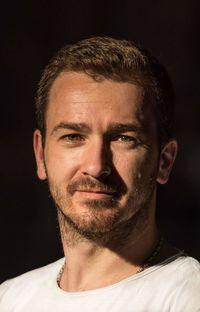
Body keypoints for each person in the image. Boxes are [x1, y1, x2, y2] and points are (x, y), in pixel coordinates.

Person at [0, 36, 200, 311]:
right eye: (73, 136)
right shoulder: (9, 298)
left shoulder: (187, 299)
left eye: (123, 138)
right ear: (40, 154)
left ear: (164, 161)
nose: (95, 166)